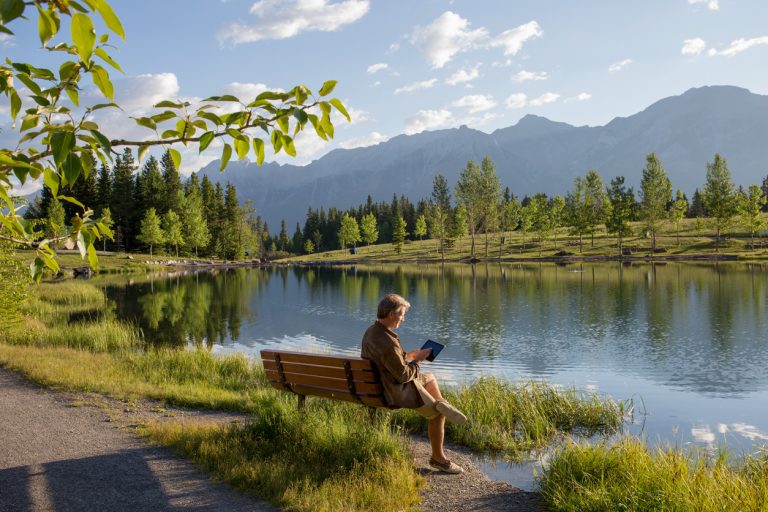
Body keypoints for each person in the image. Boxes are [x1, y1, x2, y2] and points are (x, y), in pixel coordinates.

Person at [361, 293, 467, 474]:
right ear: (391, 314)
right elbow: (403, 376)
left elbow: (389, 361)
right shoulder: (388, 342)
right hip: (394, 390)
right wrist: (417, 361)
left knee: (430, 376)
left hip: (379, 384)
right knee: (436, 415)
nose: (403, 319)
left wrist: (409, 356)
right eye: (402, 314)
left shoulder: (373, 332)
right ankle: (438, 459)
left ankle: (442, 403)